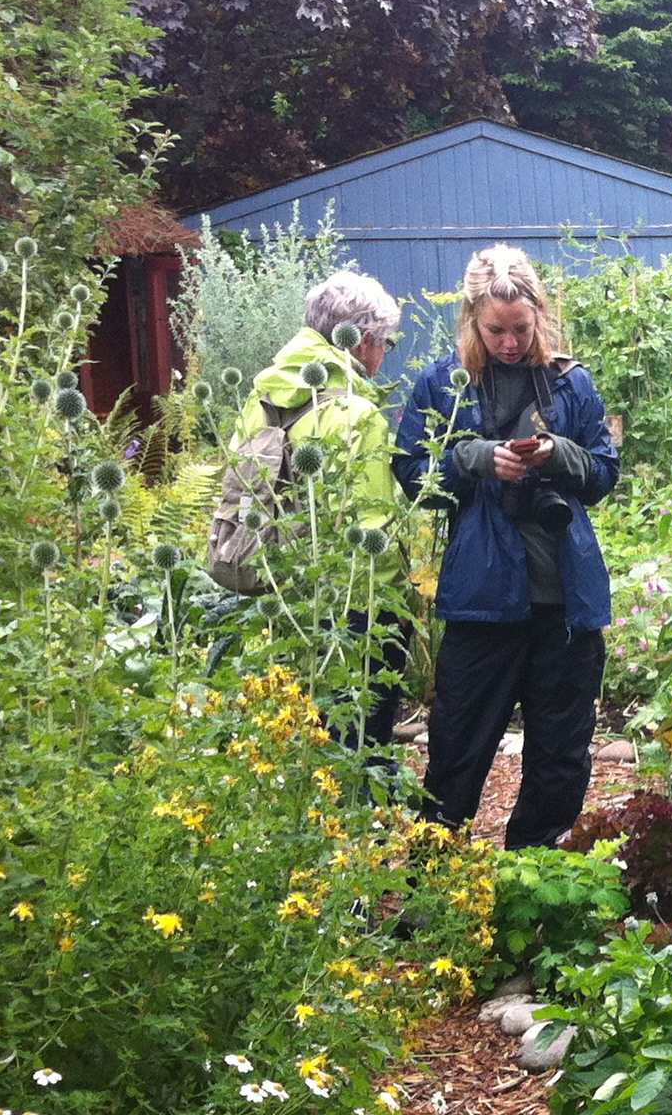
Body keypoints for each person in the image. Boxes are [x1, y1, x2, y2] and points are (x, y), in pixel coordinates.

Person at [393, 245, 619, 847]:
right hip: (482, 599)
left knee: (561, 761)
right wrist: (471, 460)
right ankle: (433, 888)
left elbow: (603, 475)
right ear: (472, 319)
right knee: (456, 752)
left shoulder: (571, 383)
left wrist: (560, 454)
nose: (510, 343)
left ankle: (531, 885)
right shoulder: (445, 383)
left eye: (521, 329)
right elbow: (410, 471)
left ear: (539, 317)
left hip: (564, 600)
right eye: (496, 330)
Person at [227, 269, 409, 778]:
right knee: (361, 744)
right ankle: (364, 835)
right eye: (386, 343)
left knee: (304, 732)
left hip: (283, 592)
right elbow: (372, 524)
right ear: (364, 340)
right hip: (352, 605)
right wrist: (396, 611)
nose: (382, 355)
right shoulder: (355, 413)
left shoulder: (264, 395)